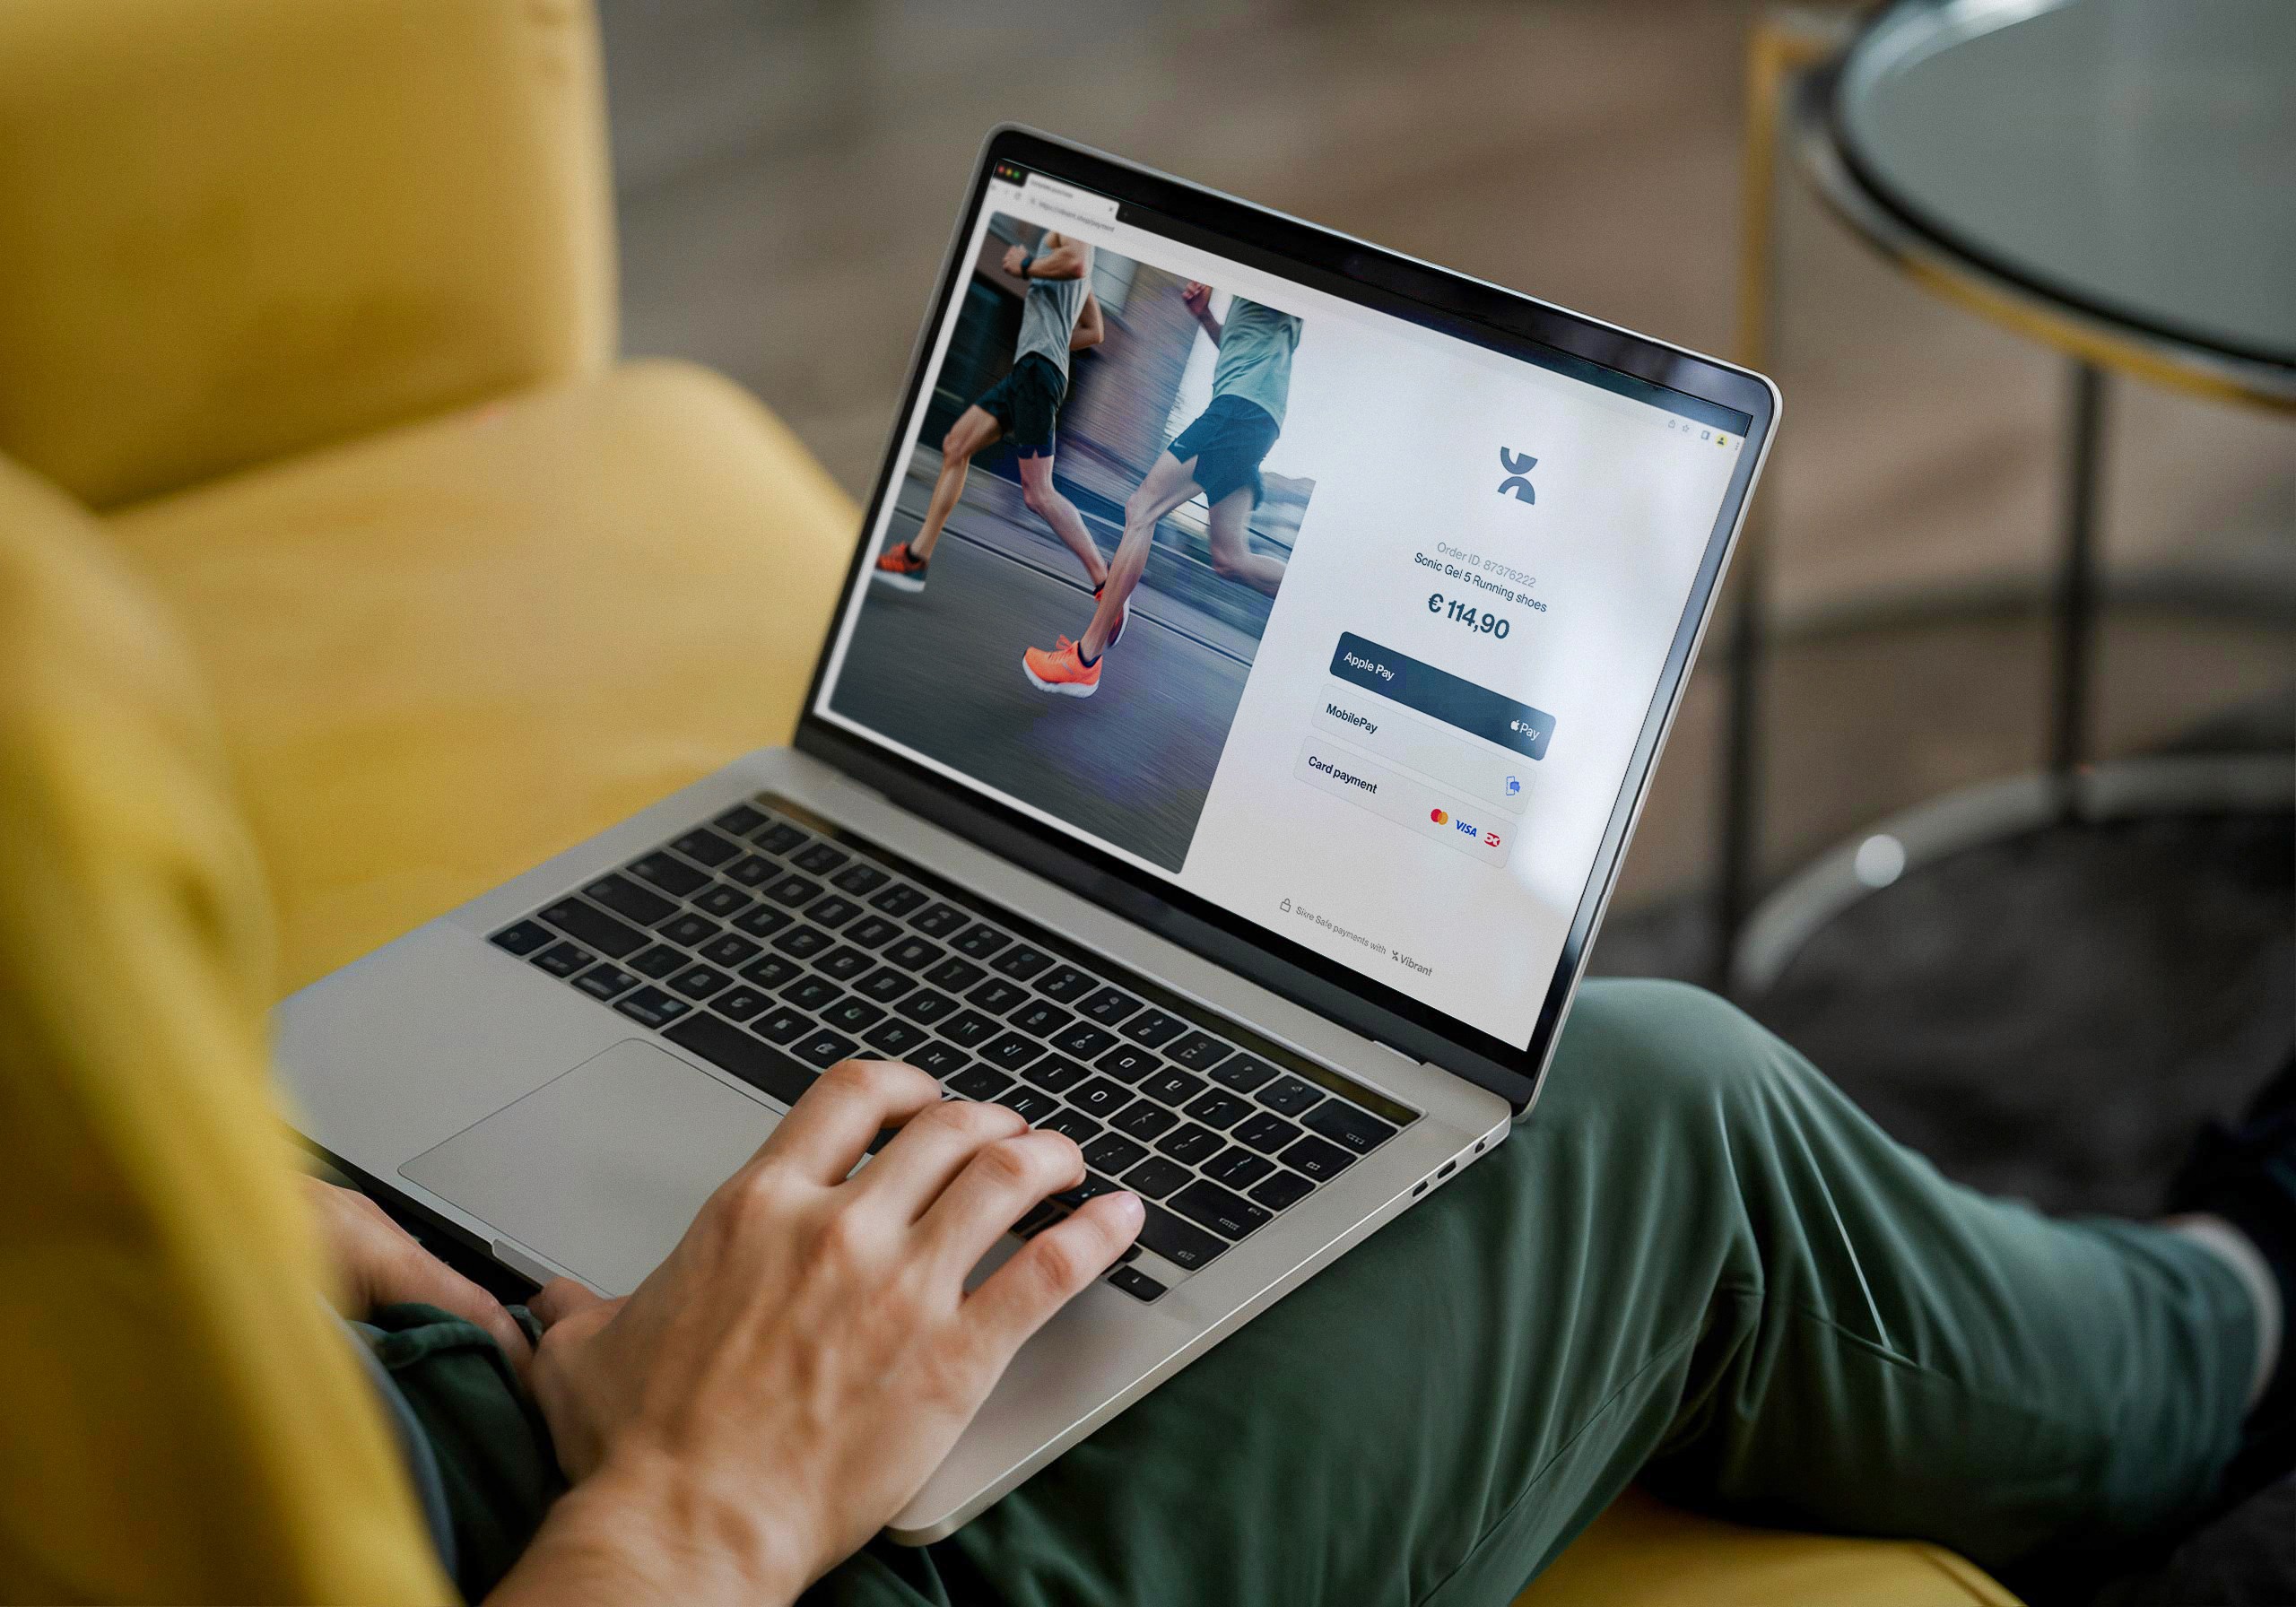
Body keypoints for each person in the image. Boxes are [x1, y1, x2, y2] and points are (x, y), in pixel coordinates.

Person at [9, 482, 2295, 1605]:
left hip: (396, 1400)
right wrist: (698, 1494)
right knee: (1649, 1104)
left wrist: (228, 1238)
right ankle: (2243, 1321)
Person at [1022, 282, 1300, 698]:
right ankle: (1318, 600)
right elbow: (1241, 348)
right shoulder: (1258, 314)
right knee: (1229, 558)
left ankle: (1085, 660)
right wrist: (1206, 317)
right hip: (1250, 414)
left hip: (1242, 408)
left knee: (1142, 508)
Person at [872, 228, 1107, 598]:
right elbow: (1095, 332)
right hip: (1028, 371)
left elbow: (1075, 262)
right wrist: (1056, 343)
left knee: (1038, 493)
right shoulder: (1074, 268)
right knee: (955, 445)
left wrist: (1026, 264)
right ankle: (917, 558)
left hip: (1037, 372)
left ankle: (1105, 581)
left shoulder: (1071, 232)